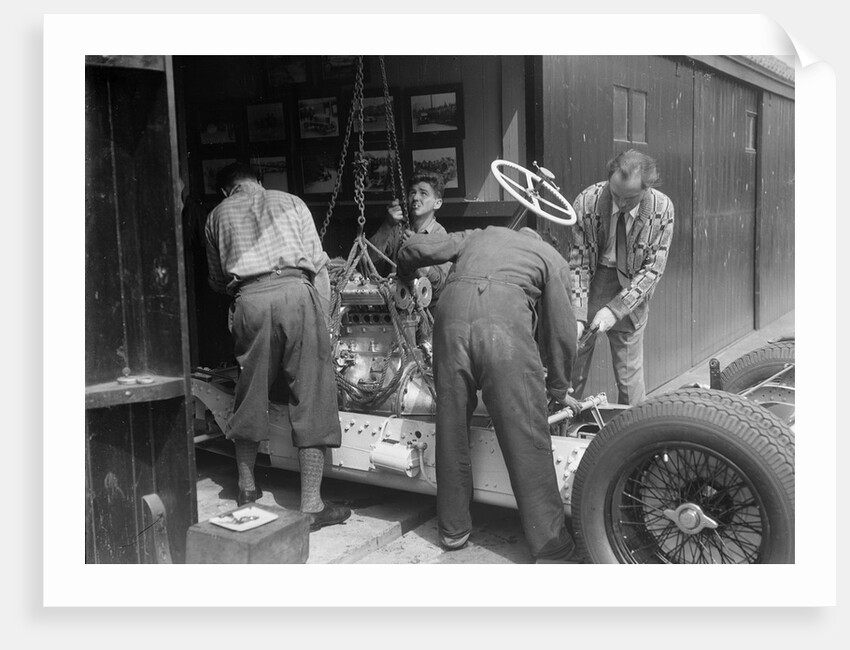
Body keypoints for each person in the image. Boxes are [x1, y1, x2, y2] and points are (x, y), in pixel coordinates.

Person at [397, 225, 582, 563]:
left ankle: (453, 531)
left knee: (451, 429)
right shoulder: (550, 258)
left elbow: (414, 248)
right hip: (503, 332)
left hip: (450, 327)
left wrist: (404, 275)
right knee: (526, 436)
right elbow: (561, 333)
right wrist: (558, 386)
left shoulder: (477, 236)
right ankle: (551, 546)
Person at [204, 162, 351, 531]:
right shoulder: (291, 201)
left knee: (250, 390)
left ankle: (247, 488)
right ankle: (311, 504)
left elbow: (218, 278)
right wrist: (324, 319)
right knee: (312, 393)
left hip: (249, 300)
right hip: (295, 293)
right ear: (258, 181)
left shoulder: (216, 216)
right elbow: (318, 265)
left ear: (226, 190)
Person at [567, 149, 675, 406]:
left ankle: (633, 429)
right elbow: (579, 264)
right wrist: (578, 315)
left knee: (629, 378)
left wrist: (616, 310)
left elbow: (652, 270)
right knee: (572, 367)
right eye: (615, 195)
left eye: (630, 198)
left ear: (647, 189)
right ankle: (559, 424)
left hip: (632, 285)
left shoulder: (662, 208)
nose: (622, 204)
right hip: (593, 280)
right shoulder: (586, 201)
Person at [369, 172, 453, 303]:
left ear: (437, 203)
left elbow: (439, 285)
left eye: (423, 193)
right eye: (412, 193)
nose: (415, 197)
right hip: (395, 304)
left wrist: (416, 250)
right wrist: (388, 225)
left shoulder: (440, 236)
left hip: (426, 312)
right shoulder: (398, 229)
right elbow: (368, 261)